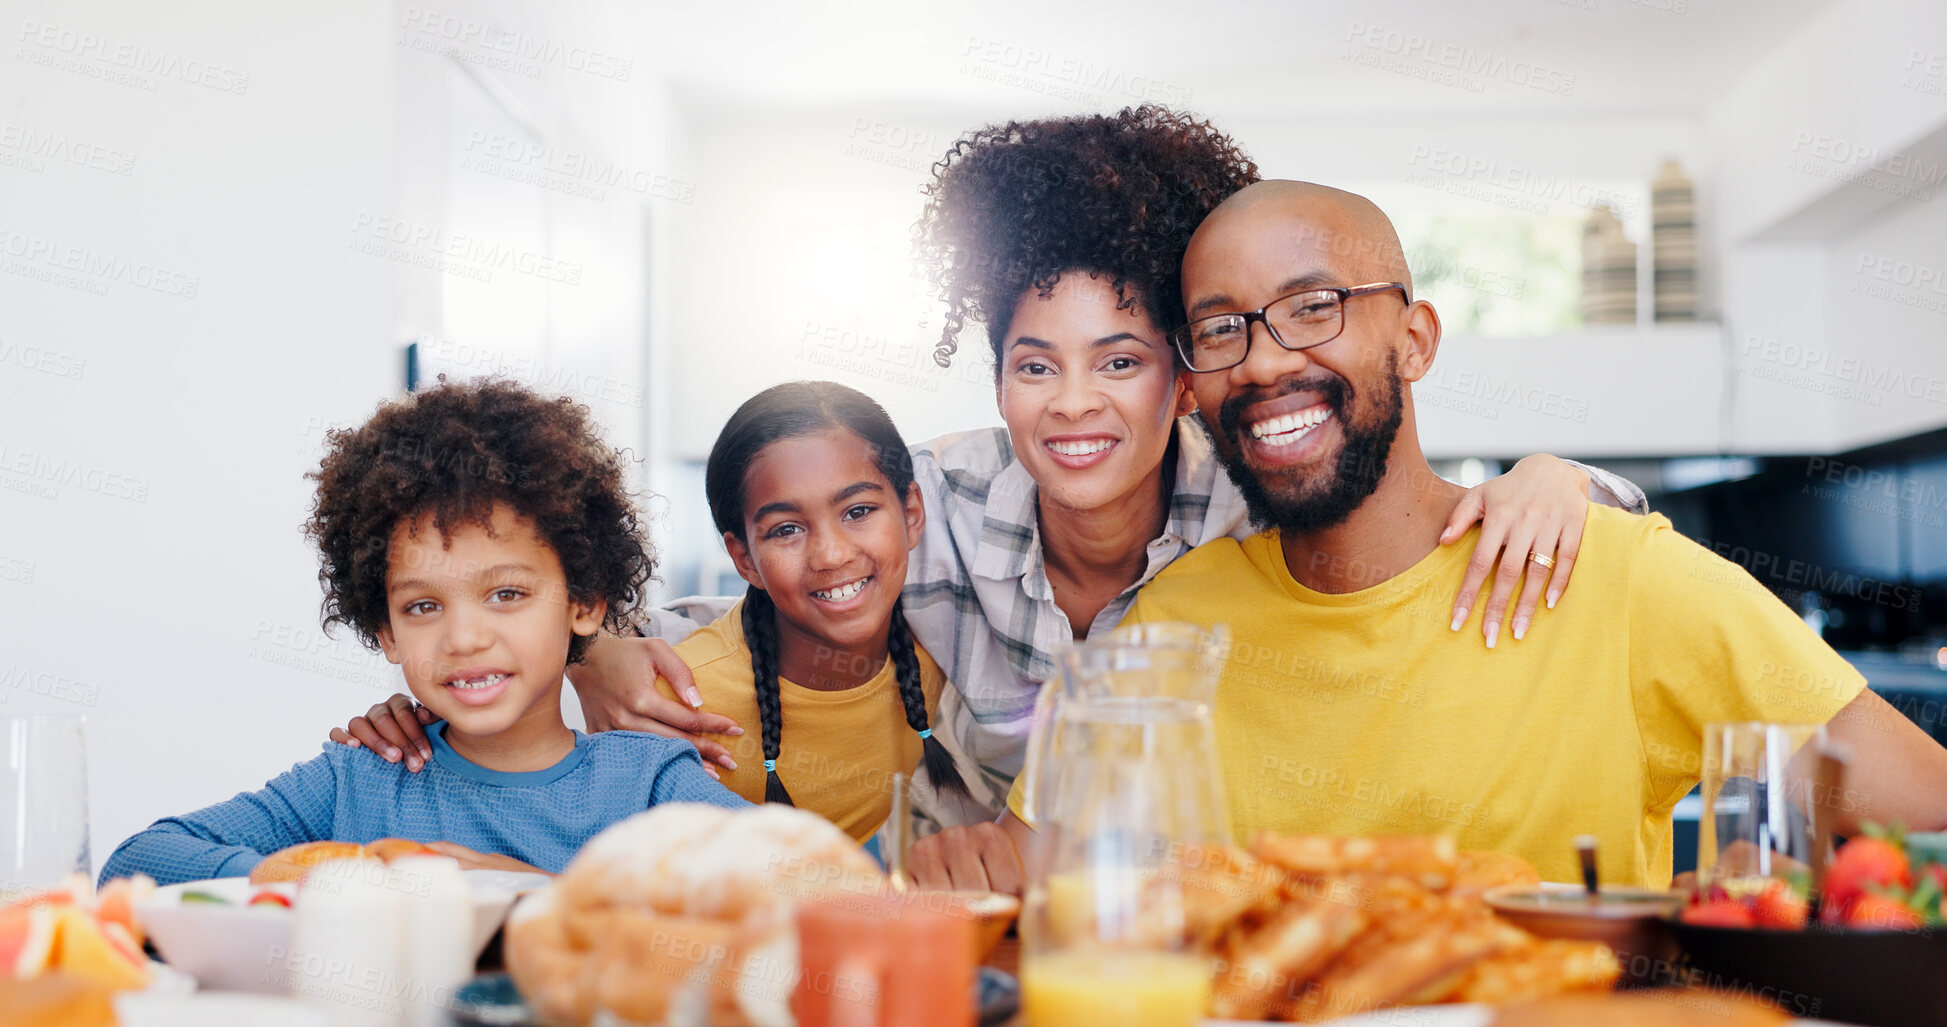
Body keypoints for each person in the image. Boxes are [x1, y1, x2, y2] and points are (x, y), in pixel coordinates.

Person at [333, 109, 1643, 878]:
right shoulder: (936, 504)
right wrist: (599, 648)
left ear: (1183, 380)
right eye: (1034, 364)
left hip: (1202, 910)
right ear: (997, 377)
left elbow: (1424, 513)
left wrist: (1559, 477)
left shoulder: (1252, 497)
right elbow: (751, 596)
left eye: (1119, 360)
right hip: (977, 913)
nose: (1072, 402)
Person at [1082, 179, 1947, 885]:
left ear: (1414, 340)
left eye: (1313, 306)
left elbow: (1927, 813)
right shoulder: (1172, 623)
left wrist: (1740, 924)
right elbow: (1086, 893)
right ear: (1191, 382)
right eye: (1220, 327)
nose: (1264, 360)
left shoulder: (1617, 578)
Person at [100, 380, 742, 886]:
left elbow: (821, 891)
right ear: (385, 633)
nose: (464, 638)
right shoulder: (362, 777)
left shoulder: (646, 784)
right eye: (423, 607)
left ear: (584, 604)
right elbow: (138, 862)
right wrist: (333, 881)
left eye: (506, 595)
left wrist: (546, 897)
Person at [667, 380, 968, 843]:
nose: (830, 555)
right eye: (786, 529)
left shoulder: (944, 641)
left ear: (910, 513)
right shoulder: (679, 702)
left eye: (858, 510)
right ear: (744, 557)